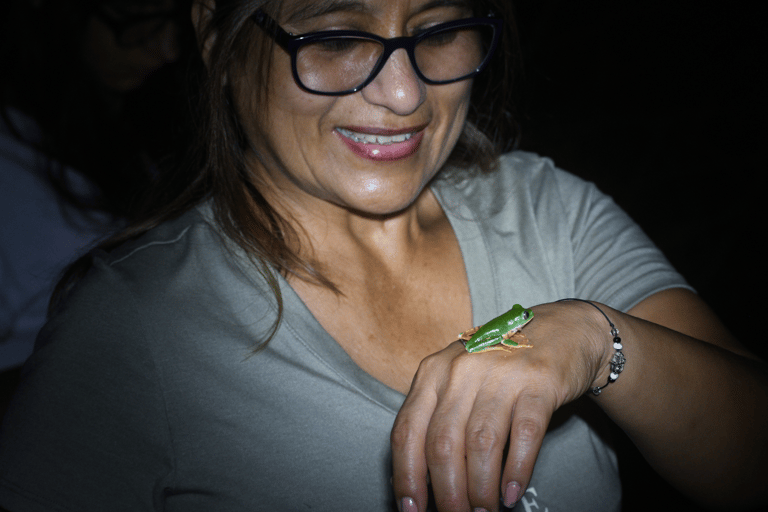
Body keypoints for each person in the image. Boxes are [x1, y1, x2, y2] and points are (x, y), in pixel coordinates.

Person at [0, 0, 766, 511]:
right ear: (216, 40)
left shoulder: (544, 209)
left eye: (437, 32)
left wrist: (597, 337)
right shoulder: (133, 327)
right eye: (336, 37)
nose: (403, 92)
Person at [0, 0, 190, 379]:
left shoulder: (133, 116)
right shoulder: (14, 169)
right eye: (138, 23)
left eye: (175, 23)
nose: (166, 50)